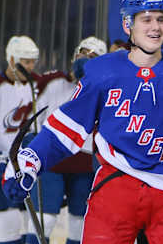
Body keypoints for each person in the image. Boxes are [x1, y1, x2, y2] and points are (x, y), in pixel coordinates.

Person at [2, 0, 163, 244]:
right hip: (115, 189)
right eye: (146, 19)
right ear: (127, 25)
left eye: (160, 19)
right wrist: (29, 163)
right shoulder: (102, 71)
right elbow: (64, 131)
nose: (155, 27)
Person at [23, 36, 107, 244]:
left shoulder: (105, 91)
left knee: (80, 223)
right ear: (74, 56)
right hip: (52, 162)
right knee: (46, 220)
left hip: (86, 166)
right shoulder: (52, 82)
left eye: (94, 57)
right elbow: (30, 122)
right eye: (83, 54)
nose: (86, 59)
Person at [0, 35, 39, 244]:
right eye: (26, 62)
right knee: (8, 225)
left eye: (33, 62)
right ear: (11, 60)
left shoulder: (33, 85)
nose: (30, 67)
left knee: (28, 222)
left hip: (21, 165)